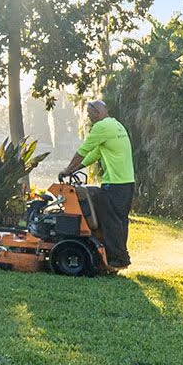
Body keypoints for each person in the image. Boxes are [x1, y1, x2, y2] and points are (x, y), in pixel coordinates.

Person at [58, 100, 136, 268]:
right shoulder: (116, 125)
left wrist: (67, 169)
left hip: (115, 183)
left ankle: (117, 258)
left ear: (97, 112)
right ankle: (120, 255)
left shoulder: (101, 127)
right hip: (127, 183)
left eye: (89, 113)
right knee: (120, 220)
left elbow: (83, 151)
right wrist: (74, 170)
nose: (87, 116)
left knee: (110, 220)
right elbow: (94, 154)